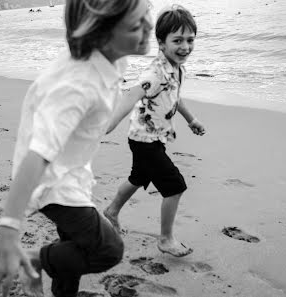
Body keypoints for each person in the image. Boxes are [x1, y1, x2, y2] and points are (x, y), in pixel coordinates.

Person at [0, 0, 153, 296]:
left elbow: (102, 115)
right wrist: (8, 227)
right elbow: (38, 154)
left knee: (75, 247)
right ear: (100, 34)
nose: (148, 28)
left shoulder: (110, 58)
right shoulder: (76, 85)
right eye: (135, 25)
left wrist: (135, 95)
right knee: (108, 248)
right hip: (51, 181)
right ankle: (35, 260)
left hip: (71, 171)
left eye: (147, 17)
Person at [104, 4, 205, 258]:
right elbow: (132, 94)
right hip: (145, 141)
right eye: (177, 40)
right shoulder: (156, 72)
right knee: (175, 186)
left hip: (149, 137)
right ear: (161, 42)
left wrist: (192, 120)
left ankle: (112, 212)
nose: (185, 46)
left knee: (138, 177)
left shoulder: (177, 69)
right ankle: (166, 239)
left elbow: (176, 98)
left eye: (190, 39)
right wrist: (110, 123)